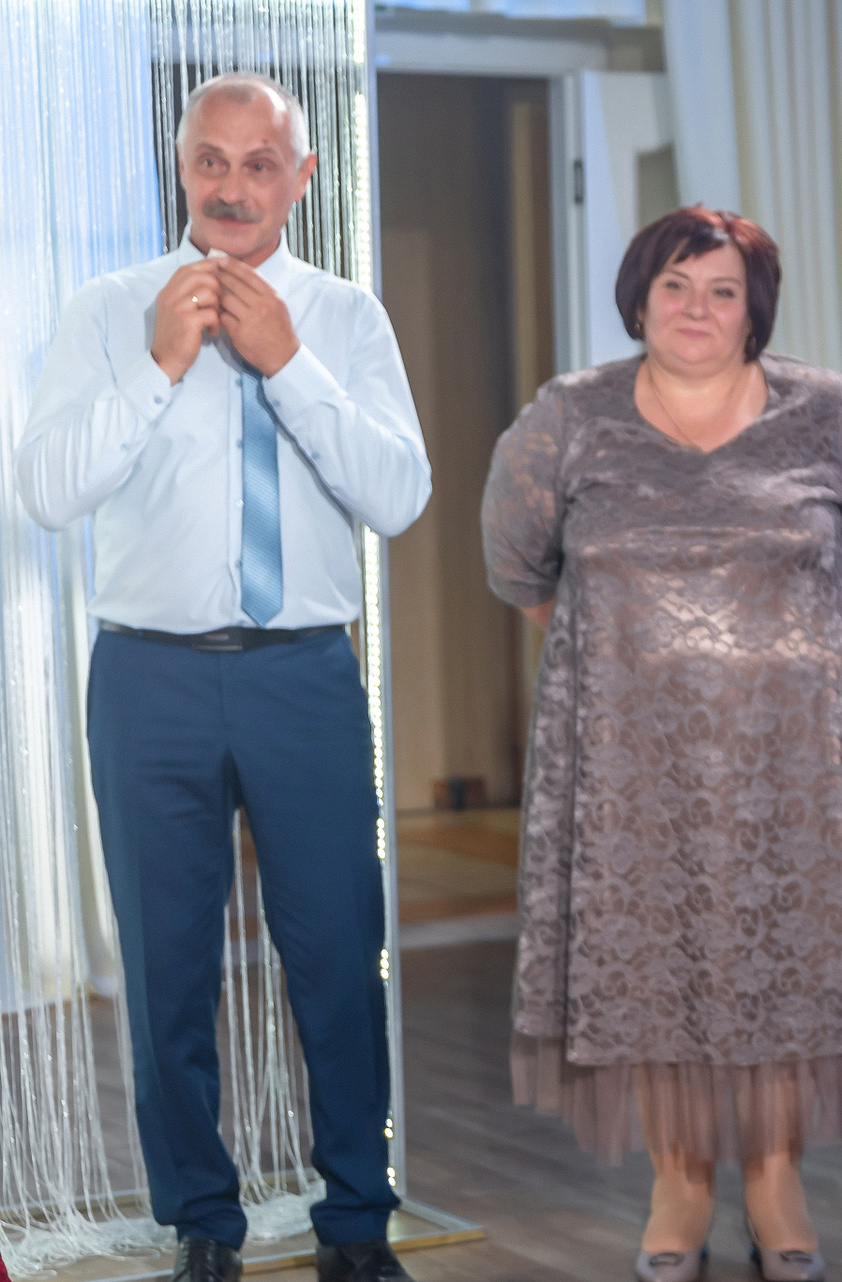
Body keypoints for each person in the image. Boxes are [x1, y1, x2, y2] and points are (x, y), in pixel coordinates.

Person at [17, 74, 430, 1282]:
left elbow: (399, 497)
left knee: (337, 958)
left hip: (304, 678)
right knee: (166, 971)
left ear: (301, 179)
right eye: (213, 159)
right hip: (148, 682)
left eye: (261, 164)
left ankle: (356, 1225)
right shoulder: (108, 310)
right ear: (183, 165)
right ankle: (203, 1224)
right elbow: (46, 491)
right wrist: (159, 364)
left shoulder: (345, 318)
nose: (233, 186)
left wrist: (287, 363)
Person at [482, 206, 842, 1282]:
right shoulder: (569, 417)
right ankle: (678, 1183)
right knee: (654, 970)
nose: (696, 308)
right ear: (639, 299)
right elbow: (519, 566)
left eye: (722, 290)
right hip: (630, 768)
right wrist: (640, 656)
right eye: (675, 286)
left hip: (797, 769)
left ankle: (776, 1177)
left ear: (754, 310)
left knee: (788, 971)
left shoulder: (826, 414)